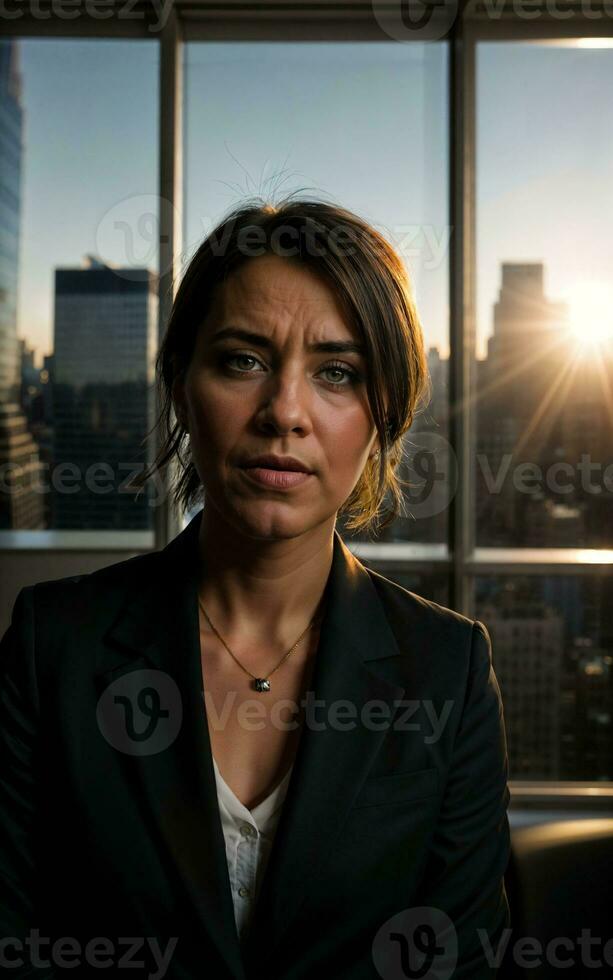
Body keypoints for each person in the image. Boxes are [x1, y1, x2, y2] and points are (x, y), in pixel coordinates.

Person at [0, 195, 511, 979]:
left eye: (337, 373)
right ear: (179, 382)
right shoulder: (52, 644)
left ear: (385, 414)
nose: (284, 412)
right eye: (242, 360)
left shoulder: (446, 667)